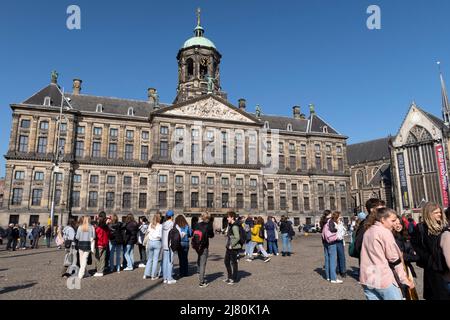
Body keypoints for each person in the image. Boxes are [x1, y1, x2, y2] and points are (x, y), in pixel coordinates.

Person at [360, 207, 414, 300]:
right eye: (392, 221)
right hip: (382, 277)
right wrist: (404, 280)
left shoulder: (368, 231)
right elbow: (394, 259)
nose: (395, 223)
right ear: (383, 220)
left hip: (368, 277)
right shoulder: (384, 232)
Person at [411, 202, 449, 300]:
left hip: (445, 266)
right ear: (429, 214)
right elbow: (415, 246)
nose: (439, 215)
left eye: (440, 212)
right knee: (438, 294)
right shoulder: (421, 228)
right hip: (433, 268)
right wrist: (428, 259)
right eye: (436, 213)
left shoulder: (443, 226)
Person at [354, 199, 386, 264]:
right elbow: (358, 245)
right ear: (372, 210)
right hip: (371, 264)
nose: (383, 211)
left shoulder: (380, 222)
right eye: (380, 209)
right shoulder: (365, 224)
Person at [192, 211, 215, 287]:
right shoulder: (209, 225)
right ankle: (201, 282)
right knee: (203, 263)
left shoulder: (197, 224)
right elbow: (212, 235)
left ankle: (198, 272)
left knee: (199, 257)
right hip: (204, 245)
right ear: (208, 217)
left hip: (197, 245)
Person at [322, 211, 342, 283]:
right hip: (331, 242)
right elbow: (332, 229)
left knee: (327, 260)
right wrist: (337, 229)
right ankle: (333, 278)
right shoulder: (330, 221)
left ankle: (328, 276)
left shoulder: (324, 221)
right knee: (333, 261)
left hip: (325, 242)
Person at [223, 211, 242, 285]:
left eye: (228, 217)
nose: (227, 218)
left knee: (234, 263)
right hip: (229, 246)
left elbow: (237, 237)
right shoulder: (231, 225)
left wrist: (232, 245)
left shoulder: (234, 226)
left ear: (232, 217)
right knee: (226, 261)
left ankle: (234, 278)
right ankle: (230, 277)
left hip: (233, 247)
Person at [143, 213, 163, 280]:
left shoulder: (150, 225)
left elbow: (147, 232)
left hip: (150, 242)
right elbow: (160, 236)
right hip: (157, 242)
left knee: (149, 259)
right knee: (155, 260)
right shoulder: (160, 226)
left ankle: (146, 274)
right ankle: (153, 275)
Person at [93, 212, 111, 277]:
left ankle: (98, 270)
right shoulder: (107, 227)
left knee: (97, 257)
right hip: (105, 244)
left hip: (99, 244)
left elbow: (95, 235)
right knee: (103, 258)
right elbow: (108, 234)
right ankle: (101, 271)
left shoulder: (98, 228)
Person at [161, 210, 177, 284]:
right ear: (172, 216)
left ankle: (165, 278)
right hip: (170, 244)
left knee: (165, 261)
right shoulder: (173, 224)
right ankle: (169, 278)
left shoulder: (163, 224)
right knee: (170, 261)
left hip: (164, 244)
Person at [335, 213, 347, 278]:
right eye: (339, 217)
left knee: (341, 256)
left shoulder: (340, 223)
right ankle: (342, 271)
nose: (341, 218)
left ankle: (339, 269)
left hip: (341, 241)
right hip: (337, 240)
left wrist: (343, 233)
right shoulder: (335, 223)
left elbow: (343, 231)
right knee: (341, 256)